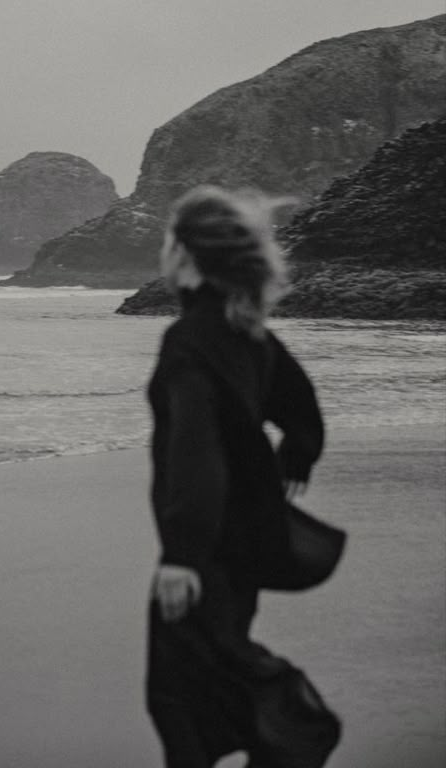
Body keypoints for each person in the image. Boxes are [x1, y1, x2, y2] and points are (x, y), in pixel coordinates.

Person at [145, 184, 340, 768]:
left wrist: (181, 553)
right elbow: (303, 412)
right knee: (215, 670)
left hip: (205, 550)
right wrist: (294, 458)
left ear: (184, 255)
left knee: (177, 698)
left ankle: (304, 723)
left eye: (166, 241)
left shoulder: (190, 341)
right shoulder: (249, 335)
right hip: (246, 543)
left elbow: (194, 454)